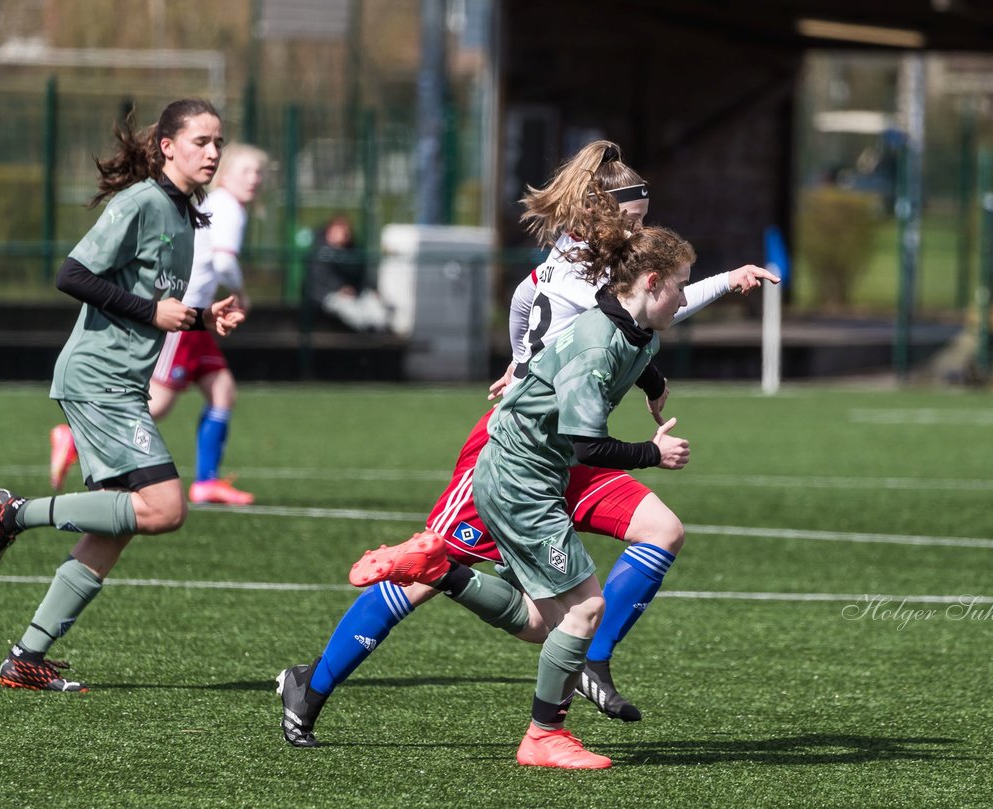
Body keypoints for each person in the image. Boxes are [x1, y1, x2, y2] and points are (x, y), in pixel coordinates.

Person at [276, 140, 776, 749]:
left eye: (646, 217)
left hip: (572, 445)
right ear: (600, 210)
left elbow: (606, 308)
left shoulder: (593, 261)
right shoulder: (580, 270)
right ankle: (313, 683)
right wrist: (525, 365)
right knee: (428, 571)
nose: (641, 228)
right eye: (634, 218)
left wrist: (537, 359)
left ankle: (589, 656)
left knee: (661, 531)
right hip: (521, 448)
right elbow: (588, 309)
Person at [351, 219, 698, 769]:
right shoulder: (595, 346)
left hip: (522, 473)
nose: (684, 296)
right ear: (652, 281)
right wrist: (654, 454)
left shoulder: (633, 323)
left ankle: (441, 570)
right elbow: (588, 446)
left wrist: (653, 386)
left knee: (541, 623)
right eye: (681, 284)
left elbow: (639, 354)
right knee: (585, 611)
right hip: (524, 482)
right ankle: (543, 737)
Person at [0, 99, 245, 692]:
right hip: (99, 381)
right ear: (167, 145)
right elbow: (72, 275)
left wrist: (200, 318)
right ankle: (14, 513)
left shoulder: (184, 214)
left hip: (121, 384)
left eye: (219, 142)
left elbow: (155, 303)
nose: (214, 153)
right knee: (166, 509)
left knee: (117, 527)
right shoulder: (142, 202)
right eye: (201, 141)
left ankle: (26, 658)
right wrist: (155, 310)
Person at [49, 143, 268, 505]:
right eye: (246, 171)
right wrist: (242, 295)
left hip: (197, 316)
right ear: (225, 175)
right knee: (161, 402)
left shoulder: (213, 205)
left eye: (259, 173)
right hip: (183, 316)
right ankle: (72, 437)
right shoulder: (228, 207)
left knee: (222, 389)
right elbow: (225, 260)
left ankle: (206, 481)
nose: (254, 180)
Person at [304, 214, 391, 332]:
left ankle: (379, 332)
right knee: (351, 309)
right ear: (329, 232)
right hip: (327, 295)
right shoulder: (320, 250)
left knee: (375, 307)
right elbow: (319, 277)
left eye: (345, 232)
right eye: (338, 231)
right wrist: (339, 287)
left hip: (355, 293)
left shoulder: (352, 251)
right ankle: (368, 334)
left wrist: (372, 288)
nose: (343, 235)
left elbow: (362, 275)